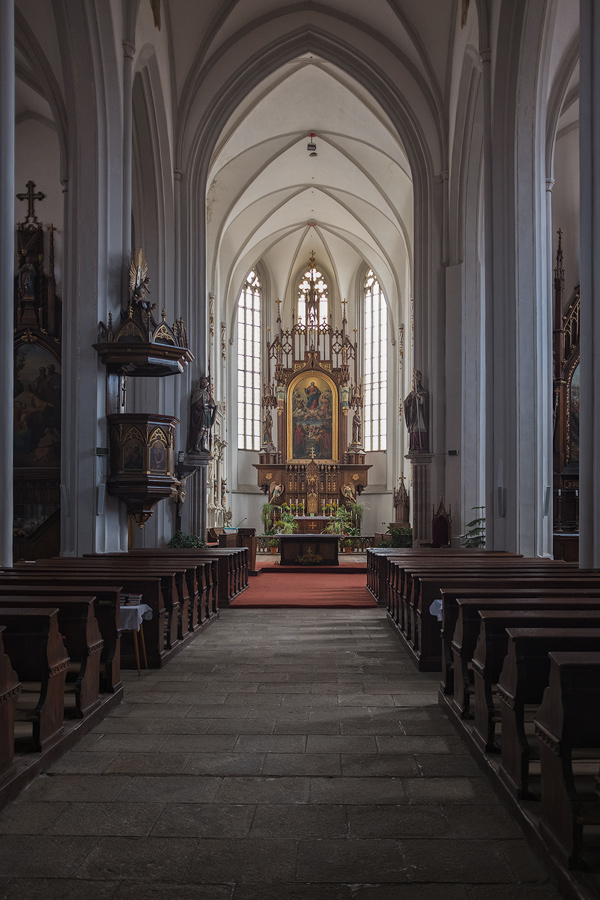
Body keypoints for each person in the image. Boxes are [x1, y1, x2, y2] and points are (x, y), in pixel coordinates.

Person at [187, 375, 217, 453]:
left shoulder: (208, 394)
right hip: (200, 413)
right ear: (200, 383)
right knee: (201, 429)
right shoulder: (198, 393)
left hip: (206, 413)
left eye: (205, 382)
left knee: (205, 431)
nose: (204, 384)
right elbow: (196, 404)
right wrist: (208, 405)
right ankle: (196, 445)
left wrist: (212, 406)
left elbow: (212, 404)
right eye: (203, 382)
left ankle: (203, 446)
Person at [403, 369, 429, 451]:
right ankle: (414, 446)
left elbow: (424, 401)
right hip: (412, 416)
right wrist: (406, 403)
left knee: (419, 428)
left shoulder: (422, 392)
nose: (415, 384)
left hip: (419, 415)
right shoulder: (411, 394)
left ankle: (421, 446)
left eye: (416, 382)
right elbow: (405, 402)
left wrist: (419, 397)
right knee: (413, 430)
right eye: (414, 382)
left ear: (419, 383)